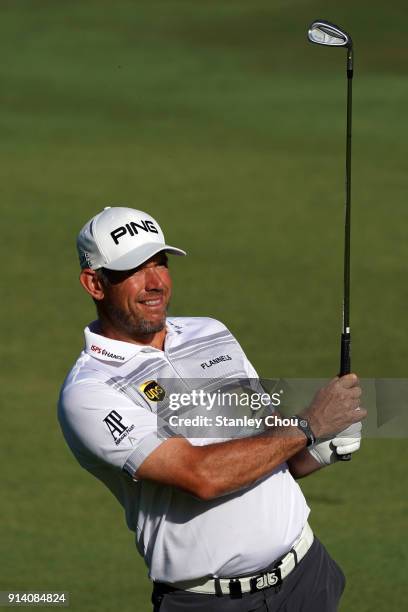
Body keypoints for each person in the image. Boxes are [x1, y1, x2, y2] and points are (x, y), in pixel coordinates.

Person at [58, 206, 366, 612]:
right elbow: (200, 475)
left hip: (306, 577)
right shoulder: (89, 391)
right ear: (94, 284)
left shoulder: (211, 331)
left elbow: (269, 443)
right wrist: (310, 424)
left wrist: (321, 447)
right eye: (134, 270)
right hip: (209, 602)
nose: (156, 283)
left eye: (161, 264)